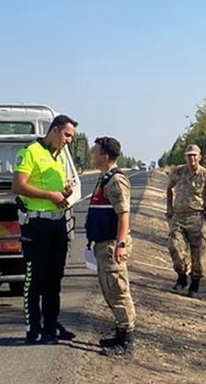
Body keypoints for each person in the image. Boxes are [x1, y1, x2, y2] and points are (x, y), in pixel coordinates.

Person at [12, 115, 78, 343]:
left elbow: (54, 187)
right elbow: (18, 185)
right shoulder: (30, 152)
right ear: (55, 130)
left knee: (55, 277)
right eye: (67, 135)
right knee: (36, 278)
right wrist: (49, 195)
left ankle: (51, 324)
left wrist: (63, 192)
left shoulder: (58, 155)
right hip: (37, 224)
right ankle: (33, 329)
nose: (69, 140)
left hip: (57, 221)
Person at [85, 136, 136, 357]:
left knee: (118, 291)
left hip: (111, 244)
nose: (92, 153)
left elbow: (123, 214)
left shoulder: (116, 180)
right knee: (109, 289)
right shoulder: (104, 178)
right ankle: (119, 333)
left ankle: (127, 342)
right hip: (102, 244)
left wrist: (121, 244)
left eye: (95, 150)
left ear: (105, 155)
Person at [165, 144, 206, 298]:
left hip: (196, 217)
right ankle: (181, 276)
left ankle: (194, 284)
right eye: (189, 155)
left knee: (197, 253)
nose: (191, 158)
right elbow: (169, 188)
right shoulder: (178, 172)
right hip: (178, 217)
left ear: (199, 157)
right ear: (185, 157)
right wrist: (169, 207)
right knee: (174, 247)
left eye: (194, 155)